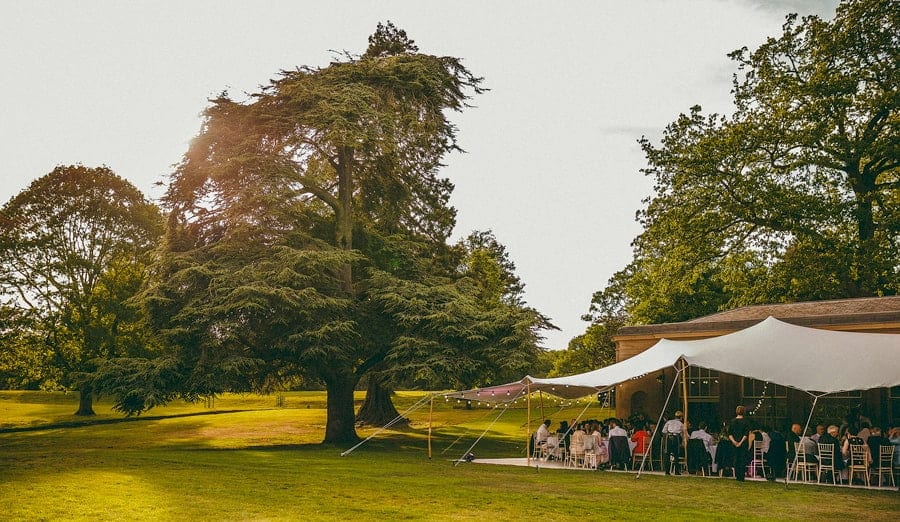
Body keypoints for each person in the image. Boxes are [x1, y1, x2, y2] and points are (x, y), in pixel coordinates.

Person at [728, 405, 750, 481]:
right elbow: (745, 434)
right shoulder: (746, 422)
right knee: (742, 459)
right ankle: (741, 476)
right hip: (743, 443)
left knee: (736, 459)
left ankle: (737, 475)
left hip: (734, 443)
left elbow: (729, 434)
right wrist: (740, 442)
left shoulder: (732, 421)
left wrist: (734, 442)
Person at [662, 411, 685, 475]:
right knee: (676, 454)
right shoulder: (681, 424)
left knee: (667, 454)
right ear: (681, 417)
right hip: (676, 438)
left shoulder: (669, 422)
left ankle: (667, 471)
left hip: (668, 437)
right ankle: (676, 471)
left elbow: (664, 431)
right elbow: (684, 433)